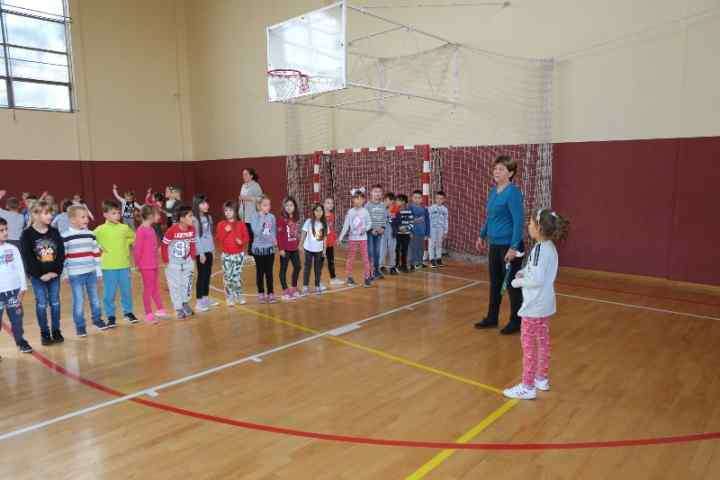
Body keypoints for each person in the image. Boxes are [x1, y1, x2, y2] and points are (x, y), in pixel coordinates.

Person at [503, 209, 570, 400]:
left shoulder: (541, 249)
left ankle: (527, 386)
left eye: (531, 223)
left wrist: (517, 282)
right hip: (545, 304)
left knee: (529, 347)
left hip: (534, 306)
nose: (528, 225)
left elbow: (537, 279)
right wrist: (524, 272)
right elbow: (537, 270)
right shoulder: (548, 247)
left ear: (539, 228)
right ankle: (541, 378)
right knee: (542, 342)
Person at [475, 155, 526, 335]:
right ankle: (492, 318)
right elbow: (490, 217)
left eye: (501, 169)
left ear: (510, 173)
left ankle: (516, 321)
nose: (496, 171)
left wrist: (514, 247)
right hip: (495, 245)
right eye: (495, 168)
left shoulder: (513, 193)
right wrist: (482, 235)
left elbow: (519, 221)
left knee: (512, 285)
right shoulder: (493, 191)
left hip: (510, 247)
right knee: (495, 283)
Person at [20, 200, 65, 346]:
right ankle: (45, 333)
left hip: (54, 275)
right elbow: (28, 258)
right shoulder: (27, 235)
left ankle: (56, 331)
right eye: (46, 213)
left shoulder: (54, 232)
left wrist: (56, 271)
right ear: (35, 215)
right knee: (41, 304)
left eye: (51, 212)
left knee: (55, 303)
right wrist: (40, 275)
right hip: (38, 277)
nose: (50, 216)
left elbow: (61, 253)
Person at [61, 206, 109, 336]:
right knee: (79, 300)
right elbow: (63, 257)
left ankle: (97, 320)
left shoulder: (91, 234)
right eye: (83, 217)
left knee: (95, 298)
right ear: (72, 220)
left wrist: (98, 271)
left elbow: (96, 253)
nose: (86, 219)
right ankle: (80, 326)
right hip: (75, 275)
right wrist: (65, 274)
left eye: (86, 216)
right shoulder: (65, 236)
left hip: (91, 272)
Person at [94, 200, 139, 328]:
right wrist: (98, 246)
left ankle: (128, 312)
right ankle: (111, 316)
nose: (117, 215)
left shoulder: (124, 228)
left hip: (124, 266)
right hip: (108, 267)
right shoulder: (100, 230)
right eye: (113, 213)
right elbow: (91, 238)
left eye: (118, 213)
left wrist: (126, 242)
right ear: (105, 215)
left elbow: (134, 237)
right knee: (109, 294)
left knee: (126, 291)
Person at [0, 218, 33, 354]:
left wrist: (23, 287)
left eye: (6, 229)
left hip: (14, 292)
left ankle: (20, 341)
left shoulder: (12, 249)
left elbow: (20, 268)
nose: (5, 232)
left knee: (17, 320)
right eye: (1, 230)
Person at [133, 206, 169, 324]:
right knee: (148, 289)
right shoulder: (141, 230)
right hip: (145, 266)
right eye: (157, 214)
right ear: (150, 216)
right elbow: (137, 249)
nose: (159, 216)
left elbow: (153, 246)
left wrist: (158, 252)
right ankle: (148, 313)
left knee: (155, 287)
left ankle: (160, 309)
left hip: (154, 264)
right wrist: (137, 263)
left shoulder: (151, 229)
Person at [162, 206, 197, 319]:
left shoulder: (192, 229)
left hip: (187, 262)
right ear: (182, 218)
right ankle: (178, 308)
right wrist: (166, 260)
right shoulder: (171, 231)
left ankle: (185, 303)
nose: (193, 218)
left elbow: (192, 243)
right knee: (175, 286)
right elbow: (164, 246)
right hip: (174, 264)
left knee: (187, 284)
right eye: (190, 216)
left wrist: (193, 257)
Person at [216, 202, 249, 306]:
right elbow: (219, 239)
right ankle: (229, 297)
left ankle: (239, 295)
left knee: (236, 276)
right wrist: (225, 231)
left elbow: (247, 237)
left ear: (235, 211)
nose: (228, 212)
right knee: (227, 277)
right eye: (226, 210)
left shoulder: (241, 224)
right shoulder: (221, 224)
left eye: (230, 210)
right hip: (226, 255)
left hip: (239, 255)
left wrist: (242, 242)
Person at [337, 189, 372, 288]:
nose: (357, 201)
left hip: (363, 239)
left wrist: (365, 229)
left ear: (363, 200)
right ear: (353, 200)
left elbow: (369, 223)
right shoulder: (350, 212)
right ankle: (349, 277)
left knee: (365, 258)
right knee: (350, 258)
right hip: (352, 239)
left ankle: (367, 277)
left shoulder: (365, 211)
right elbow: (346, 226)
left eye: (360, 199)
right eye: (356, 198)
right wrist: (340, 237)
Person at [192, 194, 217, 312]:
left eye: (206, 203)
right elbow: (196, 237)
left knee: (207, 274)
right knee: (201, 275)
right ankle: (199, 301)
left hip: (208, 250)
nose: (206, 205)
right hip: (200, 252)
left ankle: (206, 298)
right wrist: (200, 253)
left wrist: (212, 249)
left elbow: (210, 235)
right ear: (197, 205)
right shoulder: (194, 220)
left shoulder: (209, 218)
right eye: (203, 203)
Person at [250, 195, 277, 303]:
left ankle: (271, 293)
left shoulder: (272, 217)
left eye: (269, 205)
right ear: (259, 206)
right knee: (260, 272)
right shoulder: (254, 217)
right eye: (265, 205)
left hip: (269, 248)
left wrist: (274, 241)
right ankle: (261, 293)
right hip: (258, 249)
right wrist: (262, 218)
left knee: (269, 272)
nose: (268, 207)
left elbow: (273, 231)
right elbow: (256, 232)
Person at [277, 196, 302, 300]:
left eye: (291, 205)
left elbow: (296, 233)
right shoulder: (281, 219)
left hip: (294, 248)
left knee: (298, 266)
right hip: (285, 249)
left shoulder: (295, 218)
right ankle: (285, 290)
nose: (289, 207)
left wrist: (299, 244)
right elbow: (279, 235)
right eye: (287, 205)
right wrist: (281, 249)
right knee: (283, 269)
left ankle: (294, 287)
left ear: (294, 207)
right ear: (284, 207)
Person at [301, 203, 327, 295]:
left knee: (317, 269)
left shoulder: (324, 223)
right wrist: (300, 244)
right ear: (313, 212)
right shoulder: (308, 222)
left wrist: (324, 249)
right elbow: (303, 233)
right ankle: (305, 286)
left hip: (319, 250)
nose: (319, 212)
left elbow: (324, 238)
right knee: (307, 268)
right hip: (308, 249)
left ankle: (317, 285)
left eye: (321, 210)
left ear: (323, 212)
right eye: (317, 210)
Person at [238, 168, 263, 260]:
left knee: (252, 233)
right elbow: (242, 198)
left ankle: (253, 250)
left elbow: (260, 198)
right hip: (244, 214)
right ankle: (251, 250)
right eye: (243, 174)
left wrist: (248, 198)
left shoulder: (256, 186)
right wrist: (240, 209)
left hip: (252, 213)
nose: (244, 176)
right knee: (248, 233)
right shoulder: (243, 186)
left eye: (246, 174)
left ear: (251, 176)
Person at [365, 184, 387, 280]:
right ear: (371, 193)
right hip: (370, 233)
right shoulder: (367, 205)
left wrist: (382, 228)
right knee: (370, 252)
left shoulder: (383, 205)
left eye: (379, 192)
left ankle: (376, 271)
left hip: (379, 233)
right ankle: (369, 272)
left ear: (382, 194)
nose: (377, 193)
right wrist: (371, 230)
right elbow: (365, 219)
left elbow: (385, 218)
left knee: (377, 252)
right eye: (375, 191)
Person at [323, 197, 343, 285]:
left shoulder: (332, 215)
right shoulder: (321, 216)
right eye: (328, 203)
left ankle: (333, 278)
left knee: (331, 261)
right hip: (322, 244)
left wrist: (336, 239)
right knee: (320, 262)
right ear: (324, 204)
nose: (330, 205)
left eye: (332, 203)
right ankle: (317, 281)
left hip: (330, 243)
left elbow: (332, 229)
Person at [409, 190, 430, 270]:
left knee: (421, 248)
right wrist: (410, 231)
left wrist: (427, 233)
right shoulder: (410, 207)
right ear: (412, 198)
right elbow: (407, 219)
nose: (417, 199)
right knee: (413, 248)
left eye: (419, 198)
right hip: (413, 232)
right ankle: (413, 263)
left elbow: (427, 221)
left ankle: (419, 262)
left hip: (422, 232)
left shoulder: (424, 208)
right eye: (415, 198)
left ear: (421, 199)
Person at [393, 194, 414, 273]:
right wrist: (398, 228)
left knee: (404, 250)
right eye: (396, 200)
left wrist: (407, 229)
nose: (396, 202)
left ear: (403, 202)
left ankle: (404, 266)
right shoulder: (394, 211)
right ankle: (396, 265)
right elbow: (392, 222)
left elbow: (411, 222)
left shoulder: (409, 211)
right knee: (397, 250)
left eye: (398, 200)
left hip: (406, 234)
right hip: (397, 234)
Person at [428, 191, 449, 268]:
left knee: (439, 244)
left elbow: (446, 220)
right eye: (438, 198)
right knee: (432, 244)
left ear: (444, 200)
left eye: (441, 199)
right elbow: (428, 219)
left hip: (440, 229)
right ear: (435, 199)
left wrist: (445, 231)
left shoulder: (445, 209)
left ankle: (438, 259)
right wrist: (428, 230)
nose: (439, 200)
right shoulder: (431, 208)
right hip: (432, 229)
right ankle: (431, 260)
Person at [379, 192, 399, 275]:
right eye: (389, 200)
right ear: (385, 199)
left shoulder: (395, 208)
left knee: (392, 249)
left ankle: (392, 267)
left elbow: (397, 220)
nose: (390, 202)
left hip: (392, 231)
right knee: (382, 249)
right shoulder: (380, 208)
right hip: (382, 232)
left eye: (392, 201)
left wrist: (393, 215)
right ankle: (380, 266)